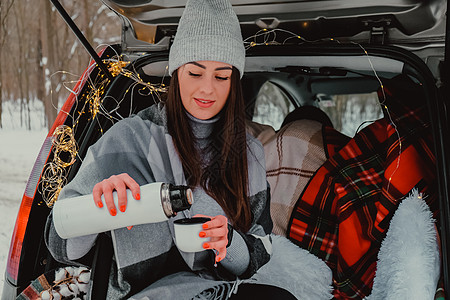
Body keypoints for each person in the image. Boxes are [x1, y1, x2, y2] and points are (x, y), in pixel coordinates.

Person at [45, 0, 280, 299]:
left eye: (222, 76)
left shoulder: (248, 152)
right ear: (177, 71)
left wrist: (229, 243)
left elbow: (261, 248)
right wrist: (96, 209)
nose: (208, 89)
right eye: (195, 73)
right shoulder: (127, 140)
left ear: (234, 81)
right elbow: (58, 244)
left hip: (216, 290)